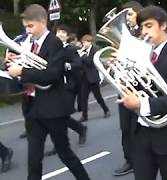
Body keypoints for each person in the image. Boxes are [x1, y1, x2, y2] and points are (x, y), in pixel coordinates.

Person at [6, 4, 91, 180]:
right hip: (33, 109)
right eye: (25, 27)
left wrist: (22, 71)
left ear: (43, 22)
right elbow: (27, 69)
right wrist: (12, 63)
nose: (27, 31)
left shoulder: (54, 42)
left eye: (31, 26)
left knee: (64, 153)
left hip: (53, 109)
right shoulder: (29, 44)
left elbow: (52, 74)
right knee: (34, 160)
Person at [119, 5, 167, 180]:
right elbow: (137, 85)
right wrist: (120, 70)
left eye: (149, 25)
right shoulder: (142, 53)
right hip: (142, 133)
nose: (144, 31)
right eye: (142, 27)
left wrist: (141, 104)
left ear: (163, 26)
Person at [45, 24, 88, 156]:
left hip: (68, 86)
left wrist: (67, 65)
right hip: (54, 85)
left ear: (67, 36)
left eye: (63, 32)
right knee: (57, 116)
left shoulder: (69, 49)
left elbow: (78, 63)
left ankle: (73, 135)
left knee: (61, 115)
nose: (60, 34)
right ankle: (76, 132)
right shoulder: (51, 48)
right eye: (58, 32)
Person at [112, 0, 143, 177]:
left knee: (137, 126)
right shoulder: (123, 35)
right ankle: (129, 159)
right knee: (125, 127)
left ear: (139, 13)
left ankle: (141, 159)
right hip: (124, 85)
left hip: (140, 87)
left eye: (130, 14)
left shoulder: (145, 33)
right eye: (125, 15)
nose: (128, 18)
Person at [78, 34, 111, 122]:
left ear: (90, 42)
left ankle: (106, 110)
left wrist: (82, 56)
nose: (83, 44)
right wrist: (80, 55)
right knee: (83, 98)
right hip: (84, 77)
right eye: (82, 43)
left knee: (98, 96)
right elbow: (79, 62)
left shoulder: (94, 50)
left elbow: (91, 62)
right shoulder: (83, 51)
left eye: (85, 42)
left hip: (93, 77)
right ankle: (84, 116)